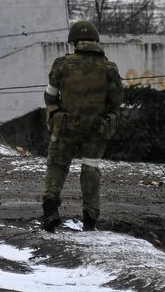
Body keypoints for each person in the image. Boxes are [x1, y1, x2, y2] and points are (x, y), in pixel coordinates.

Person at [41, 20, 124, 232]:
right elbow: (116, 102)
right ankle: (90, 219)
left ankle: (50, 210)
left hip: (65, 127)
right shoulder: (109, 69)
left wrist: (58, 112)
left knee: (57, 165)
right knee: (90, 170)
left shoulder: (61, 65)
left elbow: (49, 96)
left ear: (75, 42)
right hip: (95, 130)